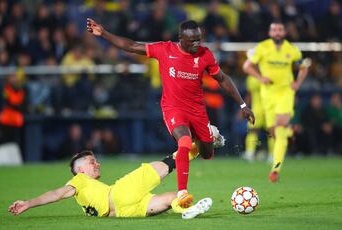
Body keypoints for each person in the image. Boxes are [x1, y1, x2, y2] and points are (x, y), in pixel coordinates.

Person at [86, 18, 254, 208]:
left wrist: (242, 105)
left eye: (199, 39)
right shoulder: (165, 49)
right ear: (180, 38)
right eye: (192, 41)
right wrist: (104, 33)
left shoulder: (205, 54)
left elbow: (222, 79)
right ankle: (182, 192)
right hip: (174, 108)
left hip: (197, 110)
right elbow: (131, 46)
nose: (196, 44)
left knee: (207, 153)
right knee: (184, 141)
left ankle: (210, 135)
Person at [8, 150, 212, 219]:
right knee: (161, 166)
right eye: (92, 162)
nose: (97, 164)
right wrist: (28, 203)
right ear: (80, 170)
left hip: (125, 212)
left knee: (169, 198)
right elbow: (55, 194)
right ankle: (199, 144)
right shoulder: (78, 181)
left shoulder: (86, 194)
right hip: (119, 194)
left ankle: (186, 210)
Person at [243, 20, 310, 182]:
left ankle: (275, 169)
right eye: (274, 30)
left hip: (285, 93)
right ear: (270, 32)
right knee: (274, 131)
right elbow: (247, 66)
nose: (277, 32)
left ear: (284, 33)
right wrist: (260, 77)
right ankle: (289, 132)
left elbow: (304, 67)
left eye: (280, 29)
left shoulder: (292, 50)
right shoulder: (263, 47)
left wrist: (297, 83)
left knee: (279, 126)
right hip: (268, 96)